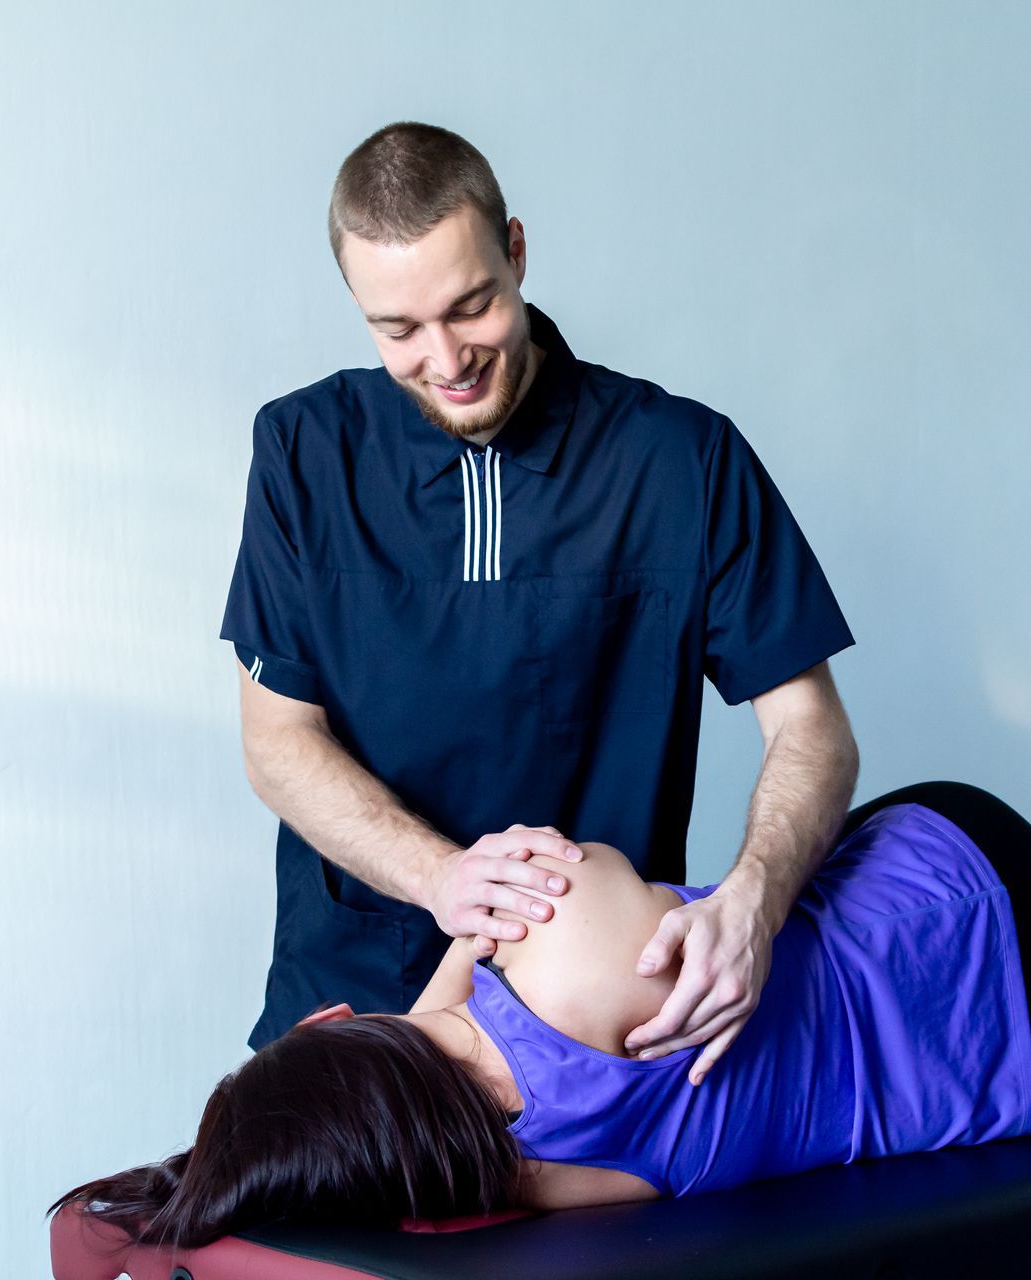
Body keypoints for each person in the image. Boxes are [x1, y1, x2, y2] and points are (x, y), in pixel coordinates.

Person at [222, 120, 861, 1079]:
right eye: (398, 329)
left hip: (592, 1020)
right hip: (349, 997)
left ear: (516, 252)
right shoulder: (304, 454)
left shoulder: (681, 461)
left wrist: (752, 904)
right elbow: (277, 742)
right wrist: (443, 878)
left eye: (470, 305)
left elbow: (811, 727)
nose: (446, 358)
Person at [54, 782, 1031, 1247]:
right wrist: (484, 912)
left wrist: (466, 947)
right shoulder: (558, 938)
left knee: (823, 1047)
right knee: (817, 900)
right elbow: (614, 895)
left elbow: (449, 1093)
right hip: (985, 881)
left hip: (1018, 1083)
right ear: (325, 1024)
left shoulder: (529, 1176)